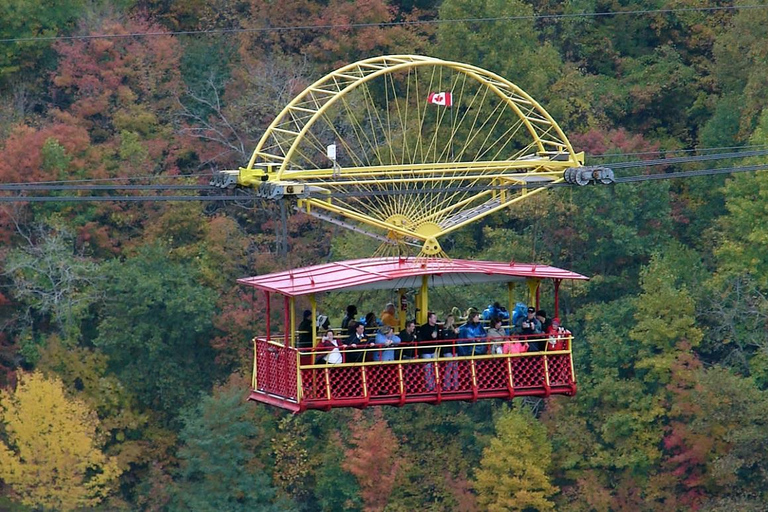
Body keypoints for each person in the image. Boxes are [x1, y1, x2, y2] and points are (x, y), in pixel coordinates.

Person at [418, 312, 440, 390]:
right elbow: (421, 339)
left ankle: (436, 385)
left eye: (436, 318)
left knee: (435, 368)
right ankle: (429, 386)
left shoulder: (437, 327)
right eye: (434, 318)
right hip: (426, 351)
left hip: (434, 350)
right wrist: (431, 337)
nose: (435, 319)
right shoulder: (423, 328)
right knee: (427, 369)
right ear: (429, 319)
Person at [441, 314, 460, 390]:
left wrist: (453, 329)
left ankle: (455, 385)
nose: (451, 321)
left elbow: (457, 336)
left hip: (454, 349)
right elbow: (444, 338)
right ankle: (447, 385)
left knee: (455, 368)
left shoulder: (455, 328)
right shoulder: (444, 328)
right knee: (449, 367)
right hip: (447, 349)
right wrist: (449, 326)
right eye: (450, 319)